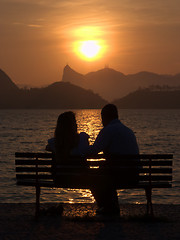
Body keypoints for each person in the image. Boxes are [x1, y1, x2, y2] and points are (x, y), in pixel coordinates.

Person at [88, 104, 139, 215]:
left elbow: (93, 151)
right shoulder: (128, 131)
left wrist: (81, 146)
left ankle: (106, 207)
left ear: (104, 117)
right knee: (106, 170)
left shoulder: (108, 130)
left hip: (117, 175)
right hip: (134, 175)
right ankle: (111, 207)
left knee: (91, 177)